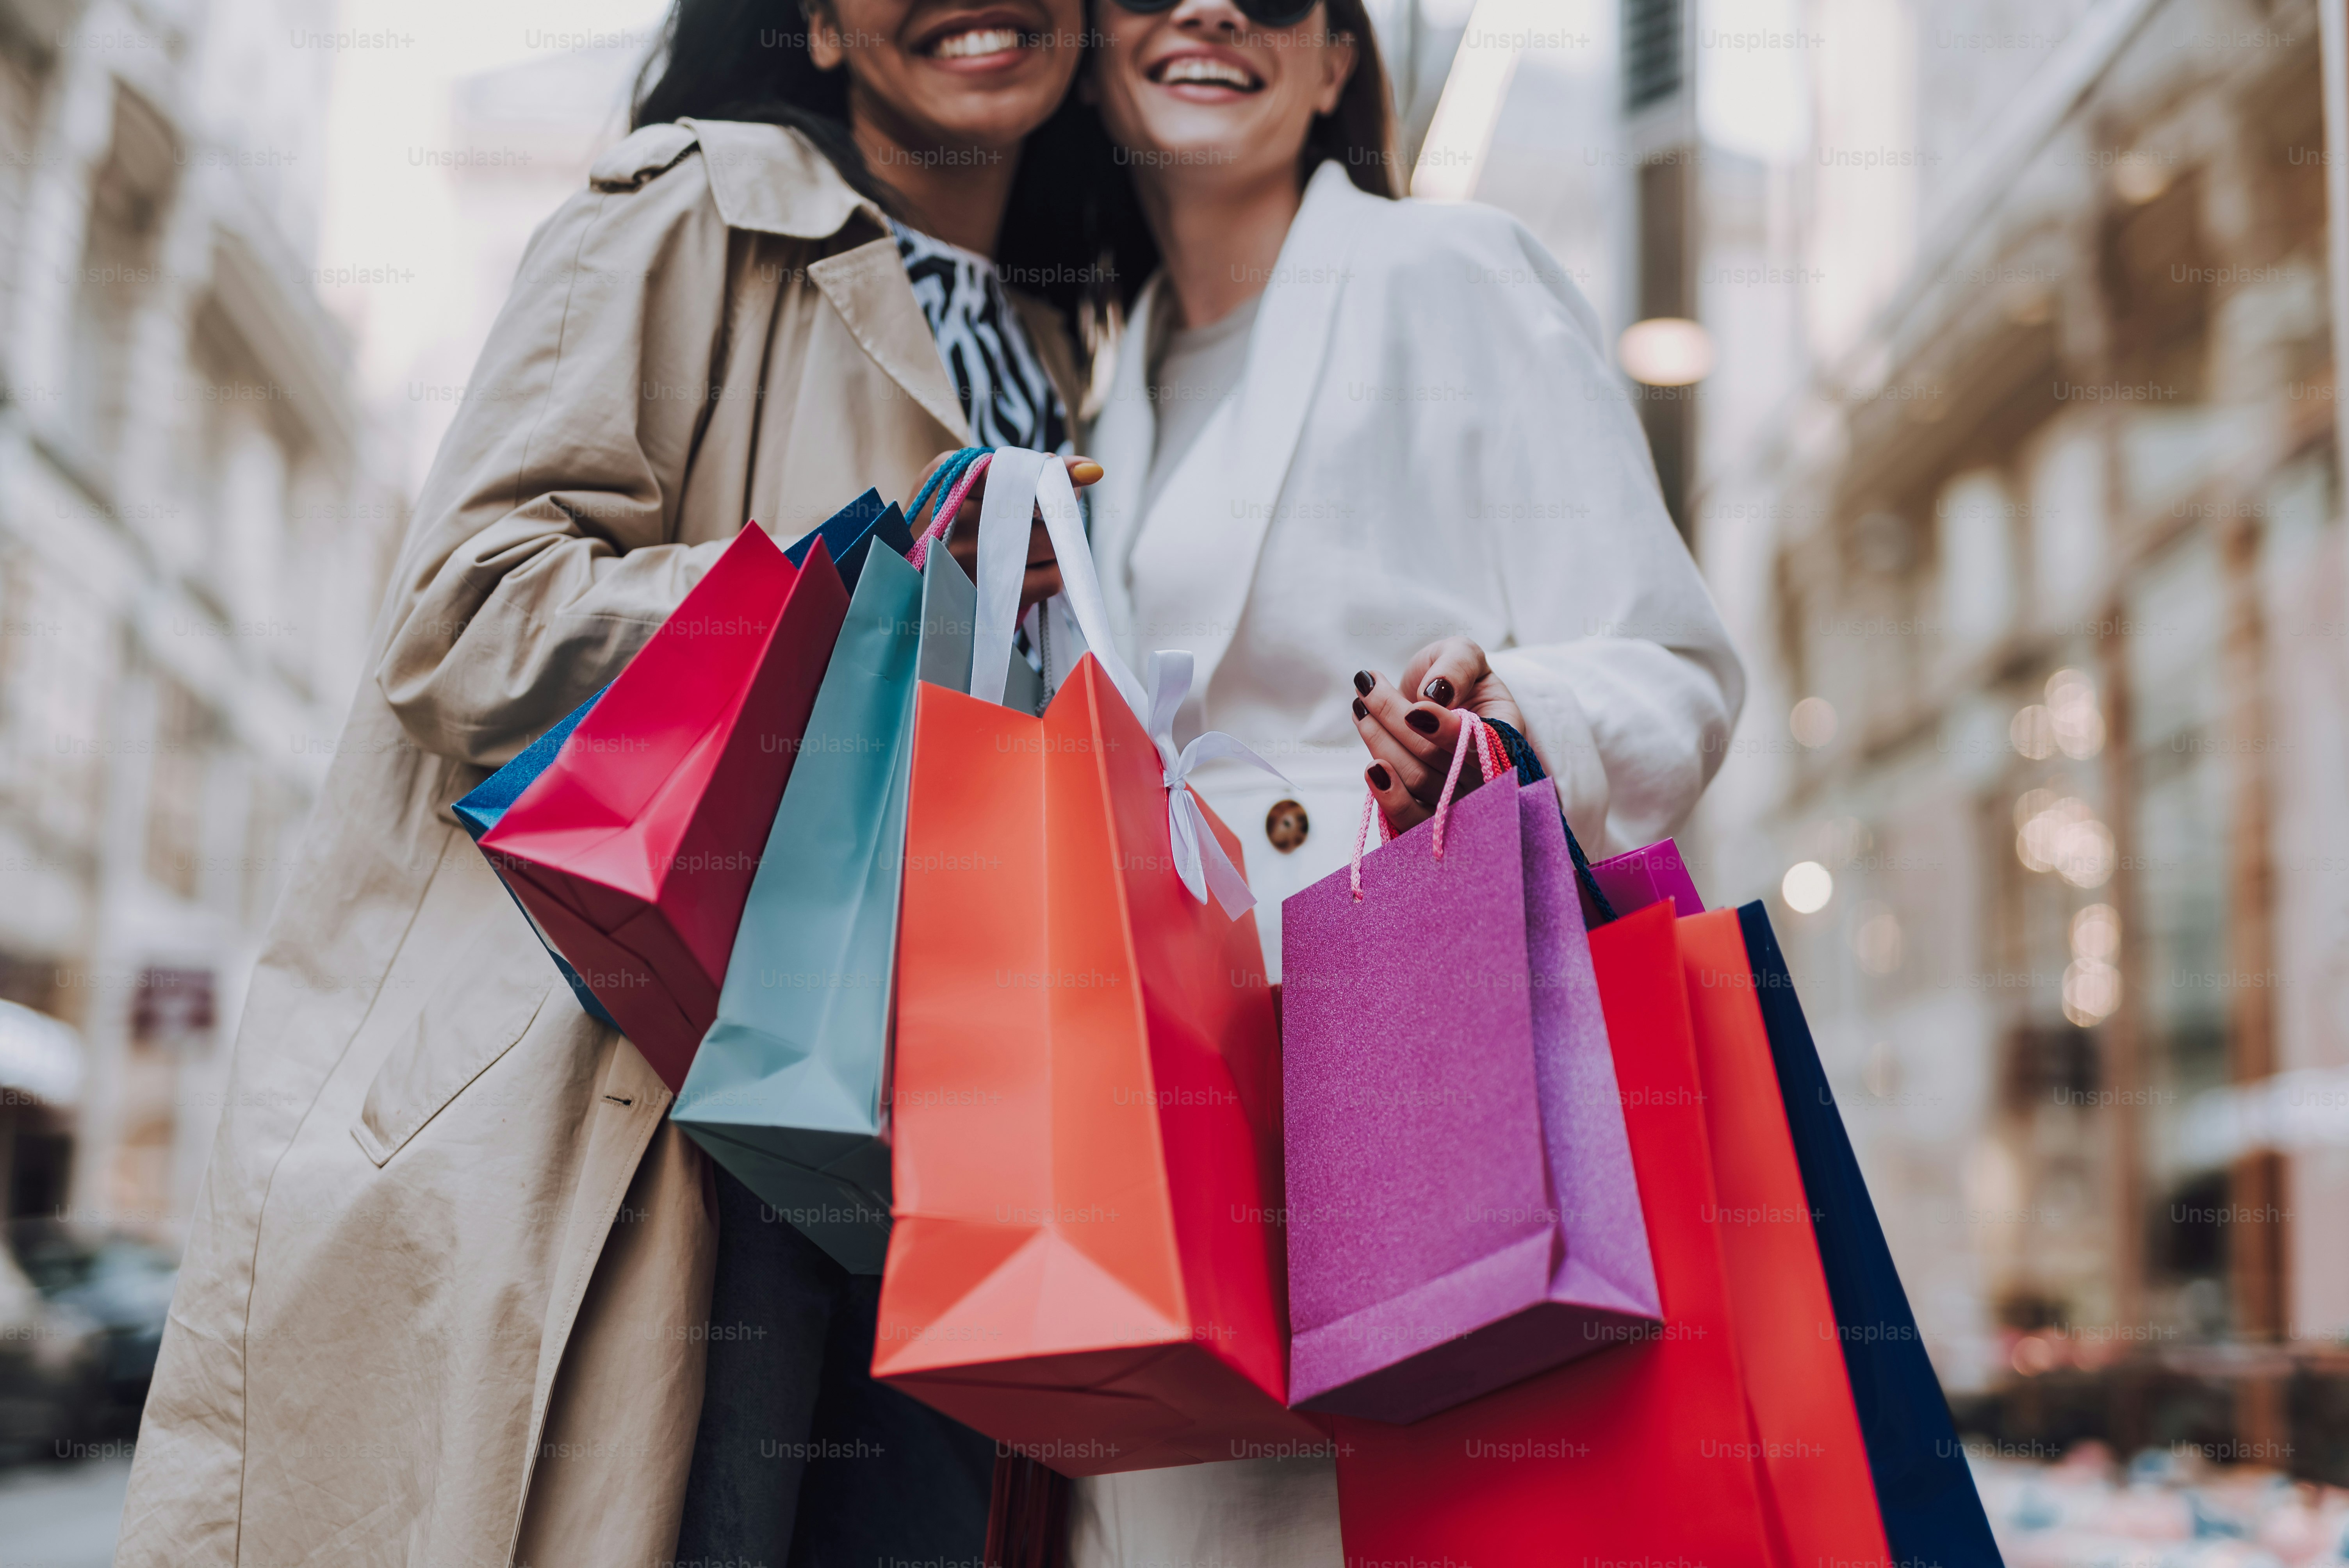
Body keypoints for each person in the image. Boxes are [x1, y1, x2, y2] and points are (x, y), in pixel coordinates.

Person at [112, 2, 1119, 1564]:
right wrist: (864, 583)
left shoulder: (1067, 346)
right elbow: (465, 613)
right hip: (691, 1115)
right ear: (819, 29)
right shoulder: (693, 206)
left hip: (965, 1145)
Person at [1056, 0, 1747, 1560]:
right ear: (1095, 47)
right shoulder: (1101, 390)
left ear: (1332, 61)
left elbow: (1673, 669)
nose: (1215, 9)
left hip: (1421, 1069)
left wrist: (1508, 717)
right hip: (1175, 1113)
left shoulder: (1454, 277)